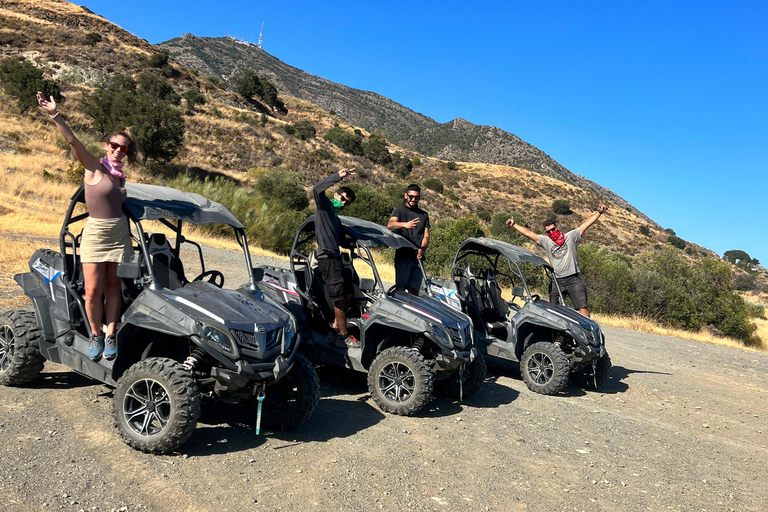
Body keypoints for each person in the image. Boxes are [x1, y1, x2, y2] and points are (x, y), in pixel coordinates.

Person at [37, 92, 136, 361]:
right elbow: (72, 141)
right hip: (94, 233)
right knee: (92, 290)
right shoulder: (94, 168)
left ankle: (111, 333)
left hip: (118, 233)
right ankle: (96, 333)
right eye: (114, 145)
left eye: (123, 148)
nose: (118, 150)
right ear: (106, 145)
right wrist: (55, 114)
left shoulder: (121, 178)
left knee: (114, 286)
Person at [506, 205, 608, 317]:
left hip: (573, 279)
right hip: (557, 280)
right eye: (548, 231)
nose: (551, 232)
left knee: (582, 308)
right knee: (552, 310)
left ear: (557, 228)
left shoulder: (571, 237)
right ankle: (556, 334)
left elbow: (586, 224)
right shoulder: (546, 241)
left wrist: (599, 212)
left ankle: (588, 332)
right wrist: (514, 225)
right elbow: (528, 233)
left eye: (553, 229)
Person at [312, 168, 359, 348]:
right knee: (338, 298)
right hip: (327, 258)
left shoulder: (336, 220)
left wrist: (354, 246)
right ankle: (343, 336)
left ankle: (334, 327)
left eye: (347, 202)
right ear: (336, 194)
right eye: (342, 197)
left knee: (348, 293)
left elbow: (341, 240)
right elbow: (316, 189)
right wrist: (338, 177)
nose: (343, 202)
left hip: (336, 258)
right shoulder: (323, 208)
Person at [386, 184, 430, 295]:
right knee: (401, 288)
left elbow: (426, 235)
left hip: (417, 258)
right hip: (403, 255)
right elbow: (390, 225)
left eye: (416, 197)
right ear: (406, 196)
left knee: (414, 290)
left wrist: (422, 249)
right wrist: (405, 225)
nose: (413, 199)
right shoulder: (399, 211)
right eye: (411, 196)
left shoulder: (424, 215)